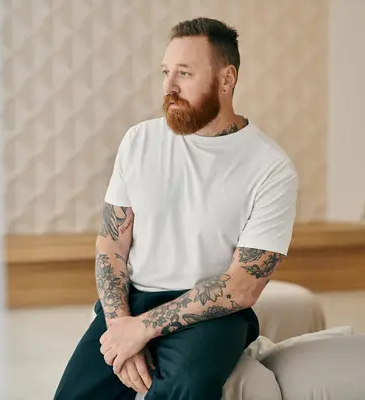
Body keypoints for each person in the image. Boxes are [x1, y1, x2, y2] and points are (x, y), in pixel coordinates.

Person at [53, 17, 298, 400]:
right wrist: (121, 323)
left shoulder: (270, 168)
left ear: (226, 78)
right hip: (134, 299)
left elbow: (242, 286)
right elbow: (112, 245)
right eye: (166, 72)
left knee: (185, 387)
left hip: (213, 315)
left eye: (184, 73)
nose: (169, 86)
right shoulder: (139, 140)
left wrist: (144, 329)